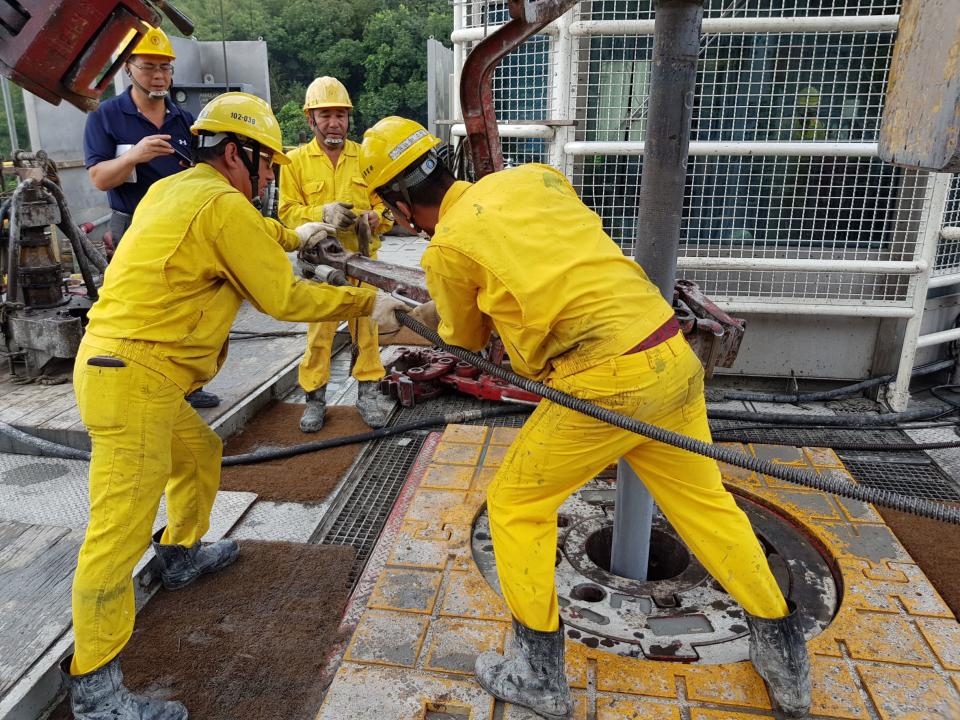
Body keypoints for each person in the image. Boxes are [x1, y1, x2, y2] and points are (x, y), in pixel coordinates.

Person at [359, 117, 812, 720]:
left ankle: (540, 676)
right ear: (447, 163)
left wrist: (409, 314)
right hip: (668, 355)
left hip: (604, 381)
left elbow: (463, 337)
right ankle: (786, 663)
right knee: (707, 506)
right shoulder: (535, 178)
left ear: (398, 202)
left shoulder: (446, 248)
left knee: (516, 506)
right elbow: (557, 261)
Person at [62, 93, 408, 720]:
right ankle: (94, 691)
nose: (270, 176)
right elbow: (282, 298)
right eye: (265, 165)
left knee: (200, 451)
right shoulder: (219, 203)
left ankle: (182, 555)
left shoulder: (177, 190)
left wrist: (298, 231)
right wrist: (365, 305)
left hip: (134, 371)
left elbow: (250, 232)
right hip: (133, 377)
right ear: (234, 153)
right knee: (114, 537)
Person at [83, 23, 219, 409]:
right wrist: (133, 155)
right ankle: (134, 382)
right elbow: (97, 178)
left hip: (181, 228)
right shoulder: (106, 117)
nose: (159, 76)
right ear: (129, 67)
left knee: (187, 305)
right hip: (132, 226)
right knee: (137, 308)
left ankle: (186, 385)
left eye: (165, 68)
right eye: (149, 67)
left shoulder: (183, 119)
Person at [279, 76, 395, 431]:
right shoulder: (294, 162)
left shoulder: (366, 157)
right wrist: (321, 214)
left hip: (363, 264)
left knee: (368, 331)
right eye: (325, 115)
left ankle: (368, 394)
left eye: (340, 115)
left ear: (348, 119)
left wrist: (377, 218)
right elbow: (285, 213)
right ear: (310, 119)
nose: (334, 123)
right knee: (319, 335)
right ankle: (314, 400)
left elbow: (387, 206)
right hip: (321, 267)